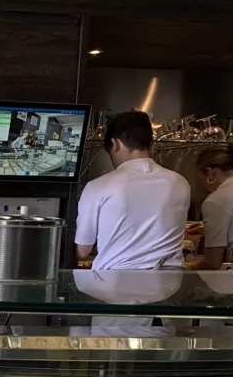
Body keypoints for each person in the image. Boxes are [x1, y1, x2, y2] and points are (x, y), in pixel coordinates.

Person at [75, 110, 191, 270]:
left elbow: (82, 251)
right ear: (151, 142)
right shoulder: (180, 182)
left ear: (116, 144)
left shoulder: (97, 187)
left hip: (114, 281)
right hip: (169, 282)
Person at [187, 144, 233, 270]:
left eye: (201, 179)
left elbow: (213, 262)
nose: (203, 184)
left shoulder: (216, 200)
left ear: (210, 173)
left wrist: (184, 268)